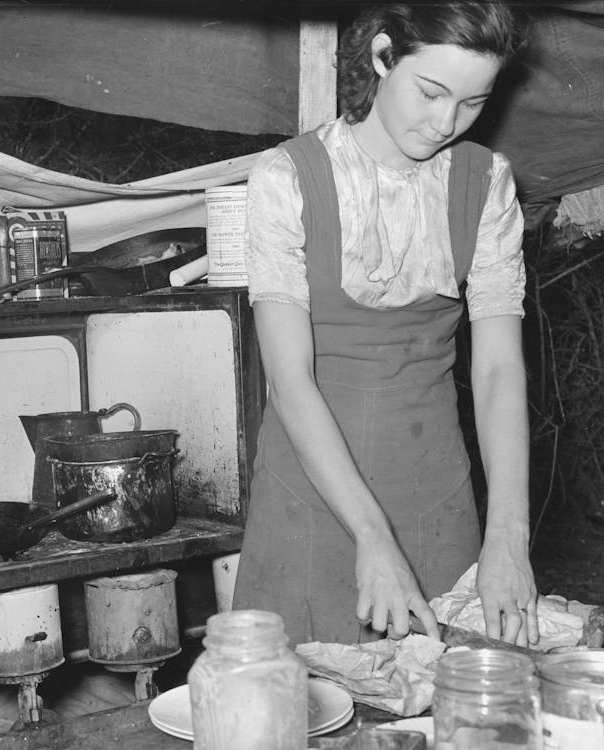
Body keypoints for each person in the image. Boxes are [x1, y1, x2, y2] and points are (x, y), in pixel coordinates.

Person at [233, 1, 540, 648]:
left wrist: (507, 537)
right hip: (310, 504)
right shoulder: (287, 179)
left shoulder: (486, 186)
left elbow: (497, 369)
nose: (445, 122)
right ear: (381, 56)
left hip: (436, 501)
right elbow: (289, 381)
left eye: (473, 102)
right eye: (431, 92)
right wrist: (371, 536)